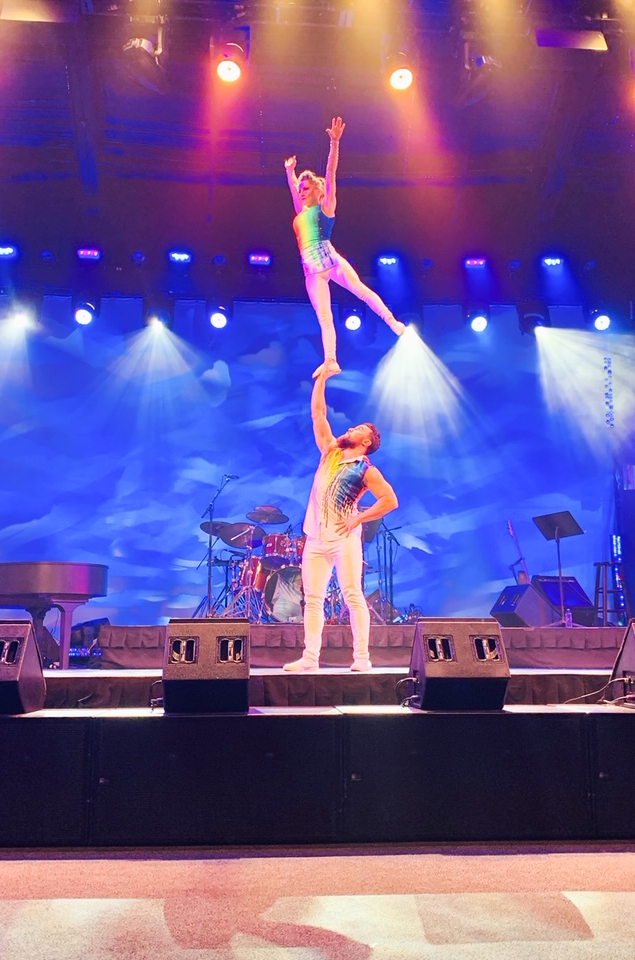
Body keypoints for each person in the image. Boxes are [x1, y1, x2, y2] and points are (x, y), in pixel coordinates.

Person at [284, 365, 399, 672]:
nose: (352, 428)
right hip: (316, 538)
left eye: (359, 428)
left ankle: (362, 658)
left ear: (367, 442)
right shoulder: (331, 453)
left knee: (352, 595)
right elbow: (318, 414)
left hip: (343, 538)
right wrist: (321, 379)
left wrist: (358, 520)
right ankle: (310, 658)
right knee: (313, 598)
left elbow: (390, 500)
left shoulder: (366, 469)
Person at [285, 116, 406, 378]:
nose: (302, 191)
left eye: (306, 188)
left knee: (361, 290)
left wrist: (335, 143)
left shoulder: (325, 207)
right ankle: (331, 361)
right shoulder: (300, 213)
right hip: (312, 271)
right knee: (324, 317)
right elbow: (294, 193)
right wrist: (289, 173)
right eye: (300, 189)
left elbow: (330, 174)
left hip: (331, 260)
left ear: (318, 191)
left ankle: (393, 322)